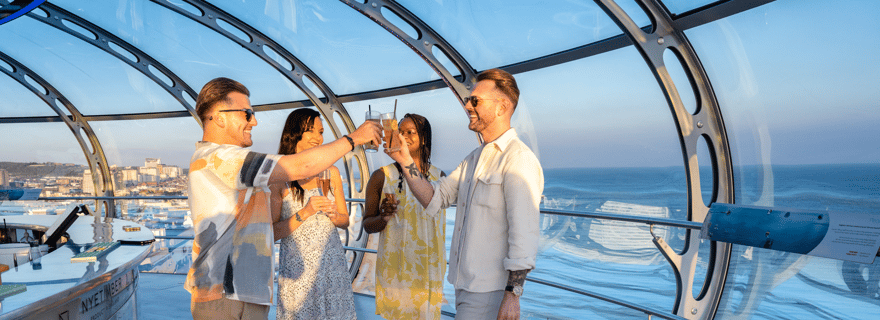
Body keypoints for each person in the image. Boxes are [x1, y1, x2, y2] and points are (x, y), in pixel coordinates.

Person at [186, 77, 380, 320]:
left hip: (245, 291)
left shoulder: (224, 160)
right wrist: (354, 139)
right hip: (223, 294)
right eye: (247, 114)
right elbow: (301, 166)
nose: (254, 121)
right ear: (219, 115)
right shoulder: (218, 158)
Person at [386, 69, 544, 319]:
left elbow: (524, 234)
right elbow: (435, 198)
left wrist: (512, 295)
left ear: (502, 107)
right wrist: (405, 160)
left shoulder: (518, 159)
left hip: (489, 291)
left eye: (475, 101)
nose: (467, 105)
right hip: (464, 287)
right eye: (468, 100)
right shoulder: (474, 158)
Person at [272, 108, 356, 319]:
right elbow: (272, 232)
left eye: (321, 132)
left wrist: (336, 217)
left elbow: (345, 220)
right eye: (311, 131)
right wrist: (306, 212)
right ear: (294, 133)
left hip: (331, 263)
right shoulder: (279, 177)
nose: (318, 138)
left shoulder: (331, 172)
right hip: (298, 269)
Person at [363, 113, 446, 319]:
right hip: (396, 271)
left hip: (429, 270)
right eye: (400, 132)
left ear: (424, 138)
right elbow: (367, 225)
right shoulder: (381, 176)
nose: (404, 136)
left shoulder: (440, 177)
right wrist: (383, 218)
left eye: (411, 132)